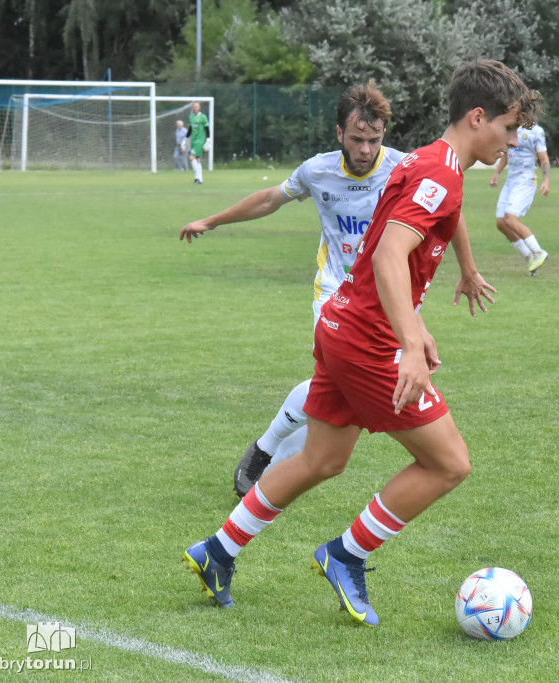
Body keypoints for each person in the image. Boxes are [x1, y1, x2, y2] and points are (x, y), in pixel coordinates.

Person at [182, 59, 538, 626]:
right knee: (448, 464)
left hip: (342, 325)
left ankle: (217, 551)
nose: (514, 141)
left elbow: (390, 253)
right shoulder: (437, 172)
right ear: (478, 117)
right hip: (367, 342)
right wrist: (410, 345)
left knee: (323, 458)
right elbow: (388, 255)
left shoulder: (426, 160)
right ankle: (346, 554)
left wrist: (418, 325)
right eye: (509, 128)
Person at [180, 81, 496, 499]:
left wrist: (468, 271)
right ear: (339, 135)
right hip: (335, 292)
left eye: (374, 140)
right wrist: (213, 221)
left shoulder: (405, 166)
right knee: (340, 380)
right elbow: (269, 200)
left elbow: (449, 212)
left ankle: (272, 461)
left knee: (338, 395)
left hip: (389, 297)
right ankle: (267, 455)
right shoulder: (318, 170)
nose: (366, 150)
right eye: (357, 139)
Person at [489, 123, 551, 274]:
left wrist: (546, 181)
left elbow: (544, 159)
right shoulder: (510, 128)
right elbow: (506, 153)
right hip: (511, 181)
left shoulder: (536, 131)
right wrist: (497, 173)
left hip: (526, 180)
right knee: (501, 223)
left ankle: (538, 252)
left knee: (510, 218)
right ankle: (529, 257)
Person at [186, 101, 210, 185]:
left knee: (191, 157)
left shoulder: (203, 117)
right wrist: (186, 138)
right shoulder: (191, 117)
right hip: (193, 140)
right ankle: (200, 179)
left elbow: (207, 128)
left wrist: (208, 139)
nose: (195, 108)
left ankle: (198, 178)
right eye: (194, 107)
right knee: (197, 159)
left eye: (197, 107)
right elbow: (190, 129)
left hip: (200, 140)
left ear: (199, 107)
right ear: (193, 108)